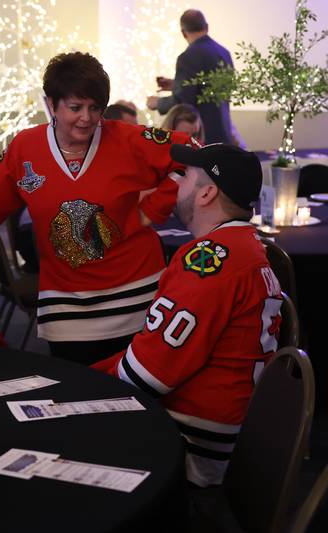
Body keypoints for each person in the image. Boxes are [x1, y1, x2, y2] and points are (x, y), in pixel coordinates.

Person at [0, 52, 192, 365]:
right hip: (67, 314)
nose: (87, 117)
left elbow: (193, 154)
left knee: (138, 402)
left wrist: (153, 208)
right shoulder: (24, 150)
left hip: (140, 304)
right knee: (78, 400)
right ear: (51, 104)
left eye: (95, 107)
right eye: (75, 107)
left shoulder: (128, 139)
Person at [92, 143, 283, 487]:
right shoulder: (246, 246)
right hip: (233, 428)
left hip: (195, 443)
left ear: (207, 193)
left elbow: (147, 376)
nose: (176, 182)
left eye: (186, 176)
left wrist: (79, 386)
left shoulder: (211, 261)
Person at [147, 9, 236, 146]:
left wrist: (157, 103)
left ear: (183, 33)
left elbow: (183, 101)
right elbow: (207, 88)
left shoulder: (188, 57)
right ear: (206, 27)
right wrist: (175, 84)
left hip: (201, 135)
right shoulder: (224, 53)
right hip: (223, 133)